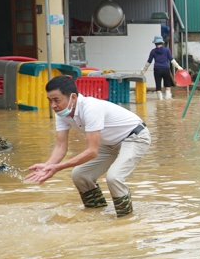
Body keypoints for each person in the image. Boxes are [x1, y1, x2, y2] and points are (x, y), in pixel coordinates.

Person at [25, 75, 151, 217]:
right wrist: (48, 166)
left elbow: (92, 151)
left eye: (56, 100)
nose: (53, 105)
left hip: (134, 137)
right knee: (80, 175)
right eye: (50, 100)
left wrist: (58, 167)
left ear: (72, 97)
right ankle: (96, 214)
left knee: (114, 177)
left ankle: (126, 219)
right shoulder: (61, 113)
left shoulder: (91, 108)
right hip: (108, 143)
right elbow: (61, 146)